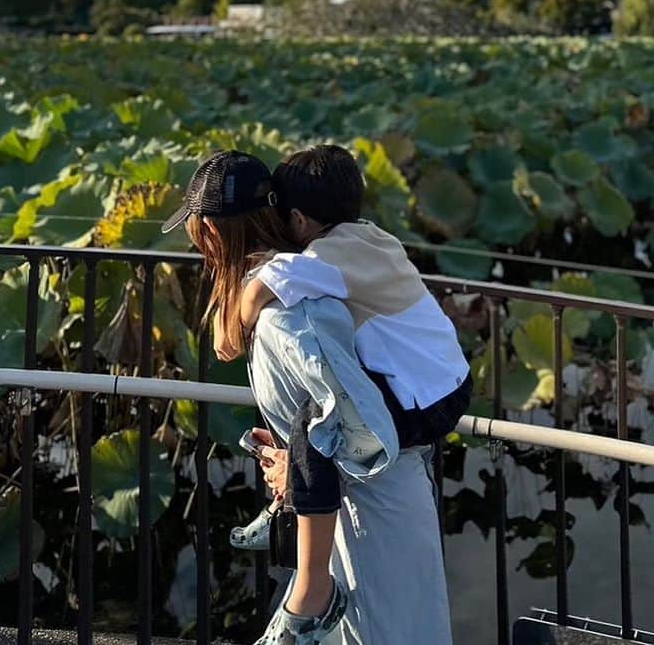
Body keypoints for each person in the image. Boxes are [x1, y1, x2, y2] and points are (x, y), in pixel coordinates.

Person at [161, 149, 454, 645]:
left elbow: (332, 420)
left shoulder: (289, 311)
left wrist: (296, 473)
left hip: (374, 497)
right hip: (368, 487)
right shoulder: (317, 271)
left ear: (210, 232)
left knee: (390, 631)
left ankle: (311, 589)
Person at [230, 145, 472, 564]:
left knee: (317, 426)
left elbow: (257, 294)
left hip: (421, 406)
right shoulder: (375, 237)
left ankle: (296, 537)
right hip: (451, 383)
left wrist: (231, 328)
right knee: (323, 419)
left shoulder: (324, 257)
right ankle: (285, 500)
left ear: (299, 219)